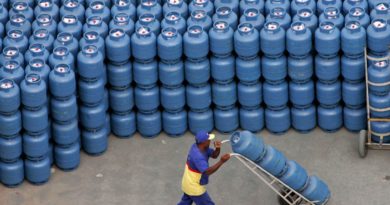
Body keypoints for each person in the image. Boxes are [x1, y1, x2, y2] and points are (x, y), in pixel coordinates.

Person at [177, 131, 231, 205]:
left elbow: (214, 155)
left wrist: (218, 148)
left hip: (187, 183)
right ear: (204, 142)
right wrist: (221, 161)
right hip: (194, 187)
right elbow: (207, 171)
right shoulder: (198, 156)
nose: (210, 141)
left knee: (185, 203)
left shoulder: (198, 146)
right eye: (208, 140)